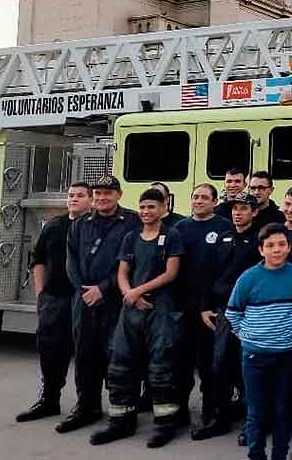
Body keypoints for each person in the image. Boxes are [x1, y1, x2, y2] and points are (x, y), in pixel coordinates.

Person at [90, 188, 184, 447]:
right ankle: (121, 422)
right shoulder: (131, 236)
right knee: (120, 365)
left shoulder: (172, 236)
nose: (146, 212)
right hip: (131, 309)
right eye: (142, 207)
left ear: (164, 207)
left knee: (161, 368)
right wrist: (128, 293)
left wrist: (140, 291)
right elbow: (122, 271)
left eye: (152, 207)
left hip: (160, 309)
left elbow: (171, 273)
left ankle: (165, 425)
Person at [59, 175, 140, 434]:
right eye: (98, 193)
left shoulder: (132, 222)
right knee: (85, 355)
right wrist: (85, 290)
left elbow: (131, 261)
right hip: (84, 300)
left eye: (108, 193)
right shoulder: (80, 224)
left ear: (119, 194)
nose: (102, 198)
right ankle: (87, 407)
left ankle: (123, 412)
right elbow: (71, 261)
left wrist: (103, 289)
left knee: (119, 357)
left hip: (116, 301)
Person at [226, 223, 292, 460]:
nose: (276, 250)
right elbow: (233, 313)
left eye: (282, 244)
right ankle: (256, 454)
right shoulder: (249, 278)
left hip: (288, 354)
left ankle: (279, 455)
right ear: (261, 249)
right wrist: (248, 337)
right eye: (270, 245)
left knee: (283, 410)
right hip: (255, 356)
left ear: (289, 247)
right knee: (257, 411)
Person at [16, 182, 93, 423]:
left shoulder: (94, 227)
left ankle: (87, 406)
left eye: (80, 196)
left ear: (90, 200)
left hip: (84, 298)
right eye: (71, 195)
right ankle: (49, 400)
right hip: (55, 297)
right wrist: (41, 295)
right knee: (50, 349)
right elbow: (38, 261)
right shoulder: (53, 227)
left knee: (86, 352)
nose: (74, 199)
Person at [191, 190, 262, 441]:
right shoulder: (221, 238)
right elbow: (207, 276)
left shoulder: (259, 242)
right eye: (234, 208)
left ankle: (253, 423)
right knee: (220, 365)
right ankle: (219, 418)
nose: (237, 213)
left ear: (254, 212)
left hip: (250, 314)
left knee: (249, 368)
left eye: (243, 209)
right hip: (221, 312)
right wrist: (203, 307)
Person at [173, 183, 235, 432]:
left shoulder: (223, 227)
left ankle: (212, 412)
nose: (198, 201)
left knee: (209, 365)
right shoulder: (179, 229)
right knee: (181, 363)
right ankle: (179, 412)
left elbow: (223, 270)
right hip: (183, 307)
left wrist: (211, 304)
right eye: (195, 197)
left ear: (214, 201)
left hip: (209, 309)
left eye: (204, 197)